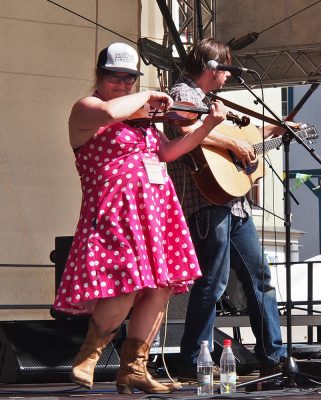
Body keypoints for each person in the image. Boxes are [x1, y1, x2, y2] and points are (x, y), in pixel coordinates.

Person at [52, 42, 225, 394]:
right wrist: (148, 95)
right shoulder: (88, 108)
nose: (122, 83)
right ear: (98, 76)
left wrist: (207, 126)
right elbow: (108, 114)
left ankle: (135, 367)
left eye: (129, 77)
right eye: (114, 76)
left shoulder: (143, 119)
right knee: (127, 284)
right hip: (115, 211)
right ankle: (90, 354)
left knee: (160, 288)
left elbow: (168, 152)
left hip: (156, 212)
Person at [163, 38, 290, 380]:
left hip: (234, 205)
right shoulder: (183, 94)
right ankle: (193, 360)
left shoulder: (210, 101)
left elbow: (241, 140)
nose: (230, 76)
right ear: (212, 68)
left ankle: (273, 354)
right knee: (213, 283)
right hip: (206, 202)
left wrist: (278, 129)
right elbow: (186, 128)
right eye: (227, 69)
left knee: (260, 277)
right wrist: (231, 142)